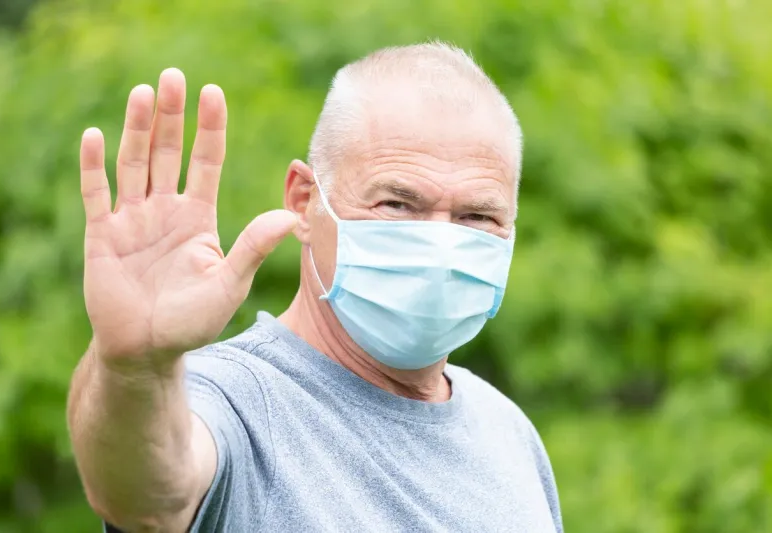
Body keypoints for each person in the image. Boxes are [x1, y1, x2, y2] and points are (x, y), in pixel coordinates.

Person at [67, 42, 564, 533]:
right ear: (305, 201)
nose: (440, 245)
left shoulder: (507, 432)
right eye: (396, 204)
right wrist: (135, 368)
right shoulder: (237, 403)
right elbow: (149, 495)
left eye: (477, 217)